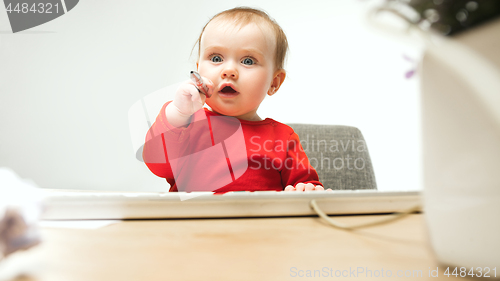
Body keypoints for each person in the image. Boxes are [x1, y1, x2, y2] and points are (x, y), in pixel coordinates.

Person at [143, 7, 327, 193]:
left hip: (260, 222)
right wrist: (178, 114)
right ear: (198, 71)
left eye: (248, 61)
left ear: (274, 82)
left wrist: (307, 189)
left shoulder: (283, 138)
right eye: (216, 58)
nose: (228, 70)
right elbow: (157, 165)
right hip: (192, 220)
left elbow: (306, 186)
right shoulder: (187, 124)